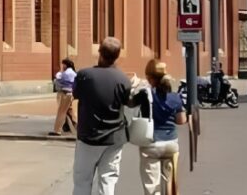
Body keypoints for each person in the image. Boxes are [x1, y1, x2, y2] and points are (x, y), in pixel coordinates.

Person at [72, 37, 138, 195]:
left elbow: (75, 93)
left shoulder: (84, 75)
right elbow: (128, 103)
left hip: (89, 136)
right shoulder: (124, 80)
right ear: (117, 56)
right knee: (108, 179)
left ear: (99, 52)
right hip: (114, 138)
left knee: (82, 180)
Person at [138, 59, 186, 195]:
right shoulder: (175, 97)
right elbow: (181, 120)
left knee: (152, 185)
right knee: (170, 178)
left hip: (151, 144)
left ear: (150, 78)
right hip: (171, 143)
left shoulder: (146, 95)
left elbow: (131, 104)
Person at [51, 58, 77, 136]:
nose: (62, 66)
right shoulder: (73, 73)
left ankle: (57, 130)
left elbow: (59, 80)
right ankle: (75, 127)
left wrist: (57, 79)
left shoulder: (66, 73)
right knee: (69, 111)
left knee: (61, 112)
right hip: (70, 93)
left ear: (66, 64)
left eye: (63, 64)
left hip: (65, 94)